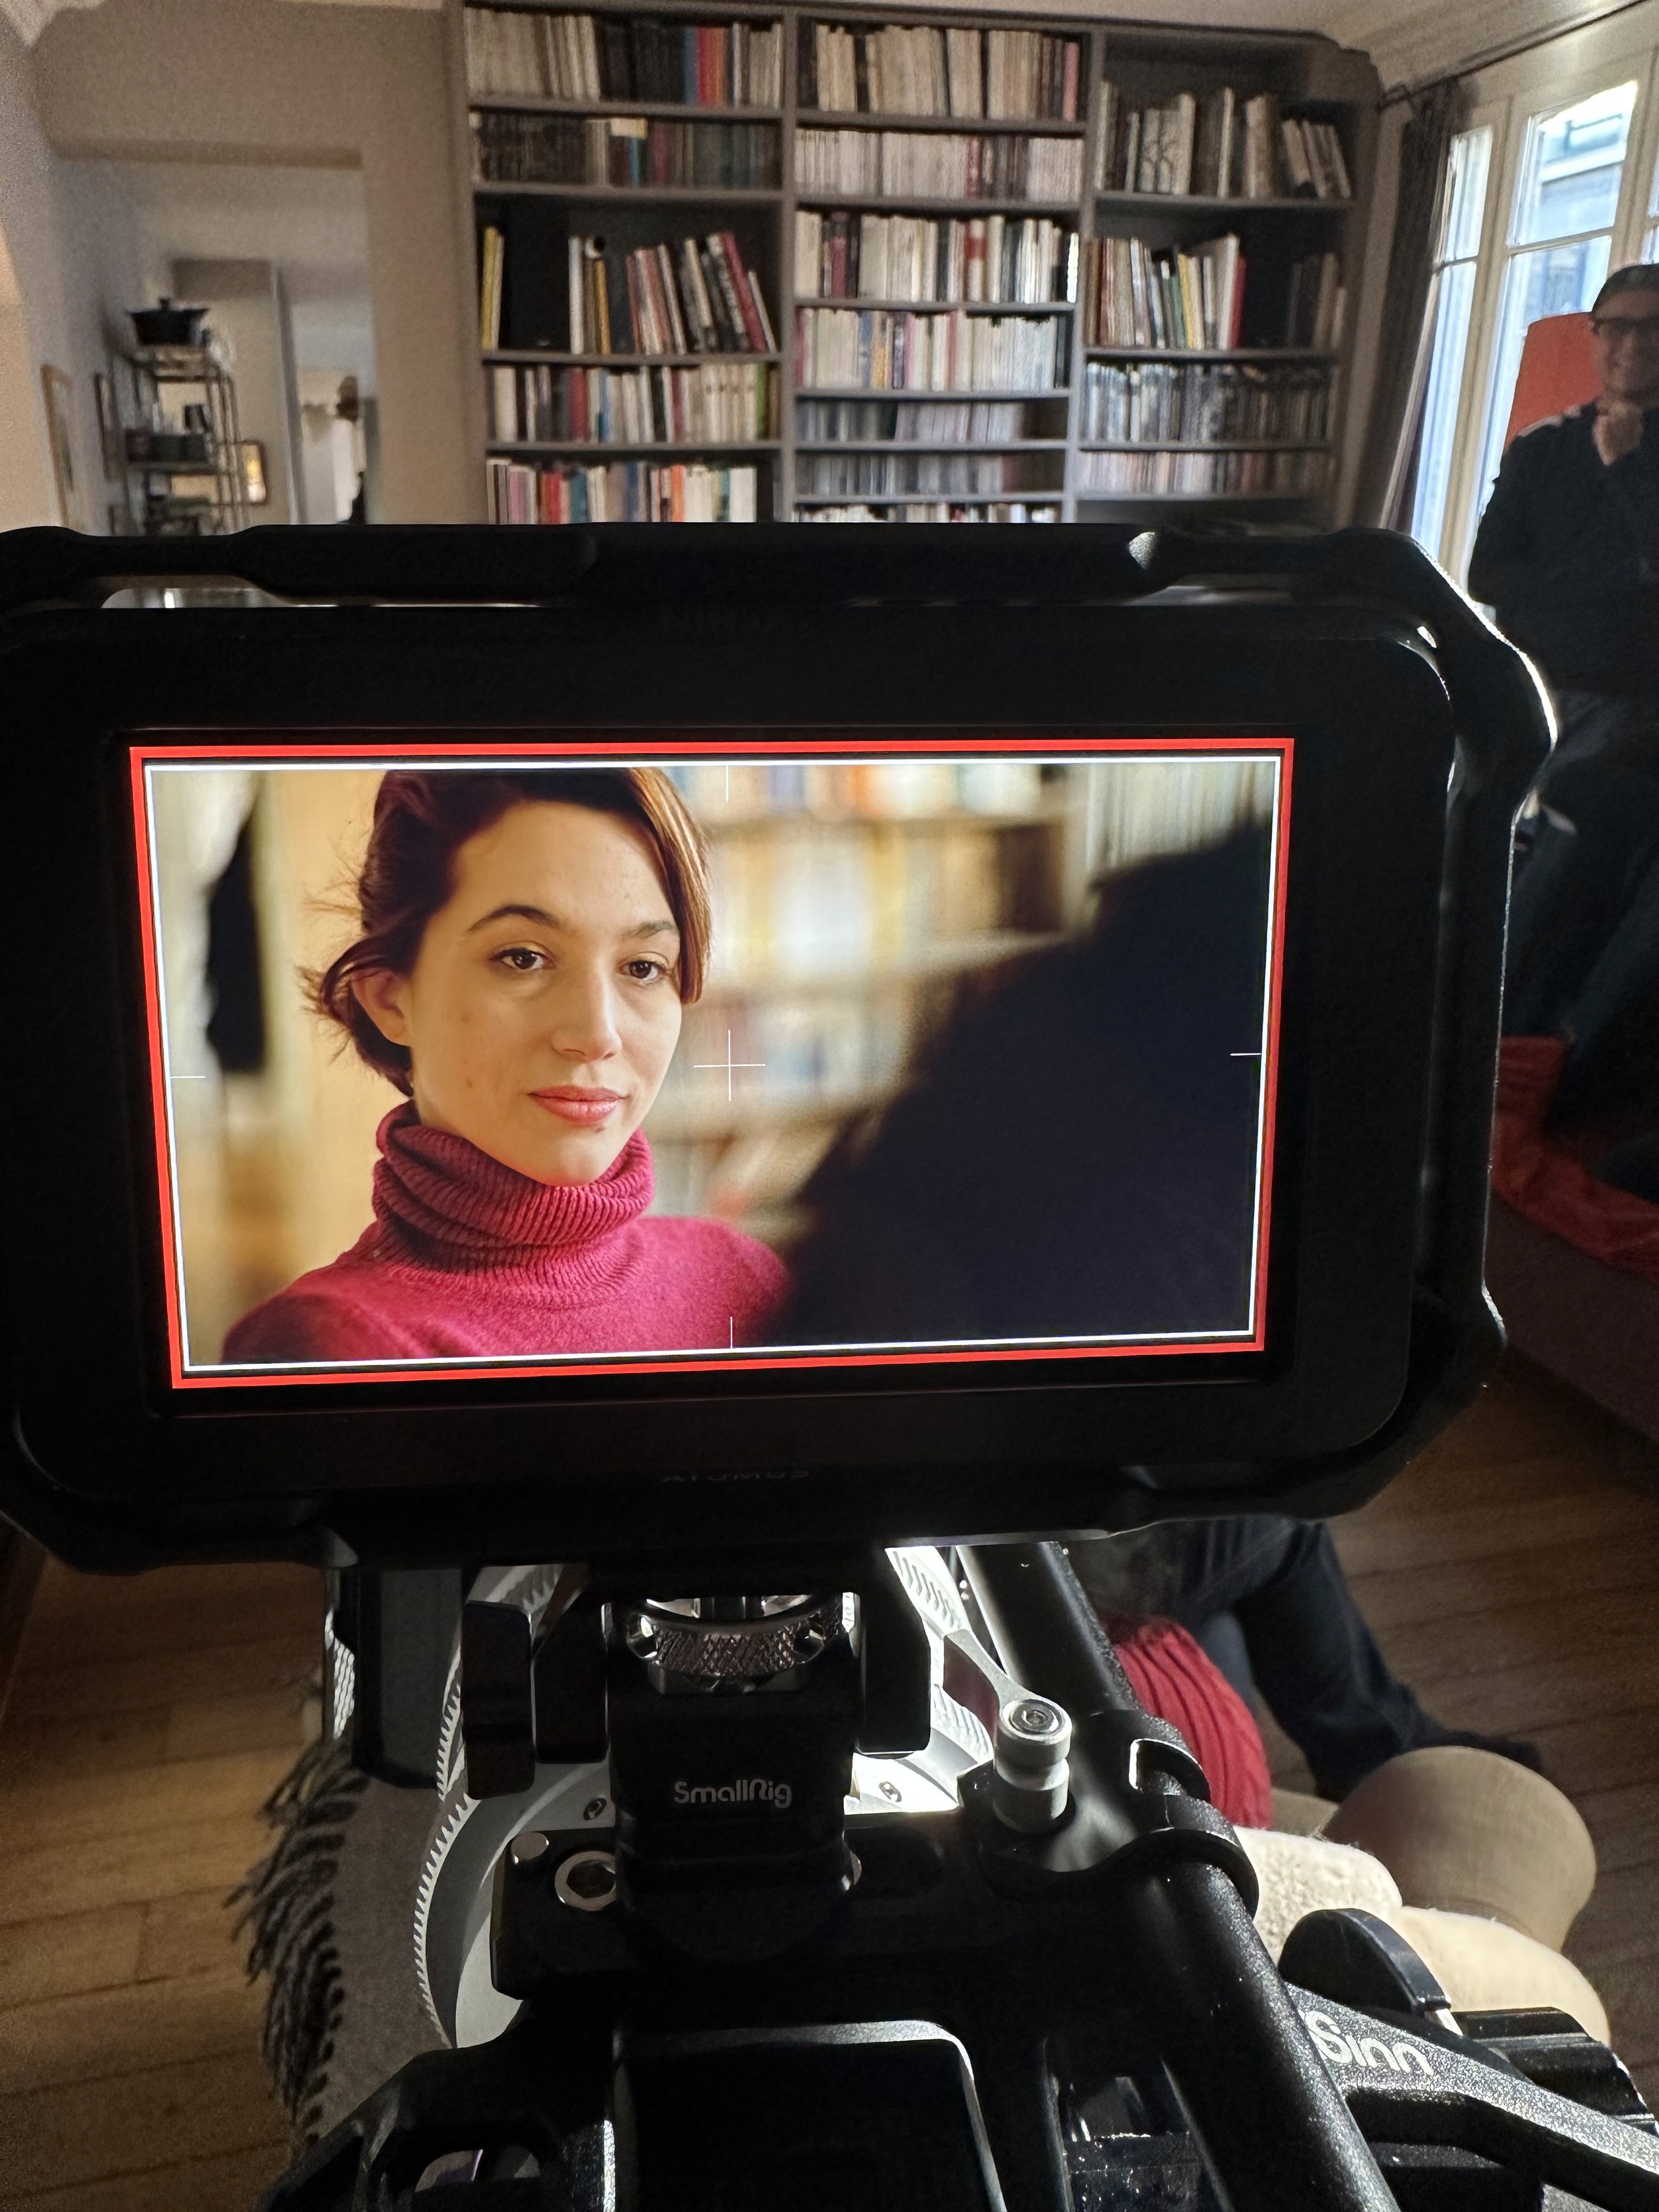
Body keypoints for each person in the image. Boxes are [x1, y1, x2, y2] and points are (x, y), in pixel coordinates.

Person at [222, 768, 787, 1363]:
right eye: (522, 959)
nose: (597, 1035)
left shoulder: (744, 1280)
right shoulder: (337, 1347)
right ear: (390, 997)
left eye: (644, 967)